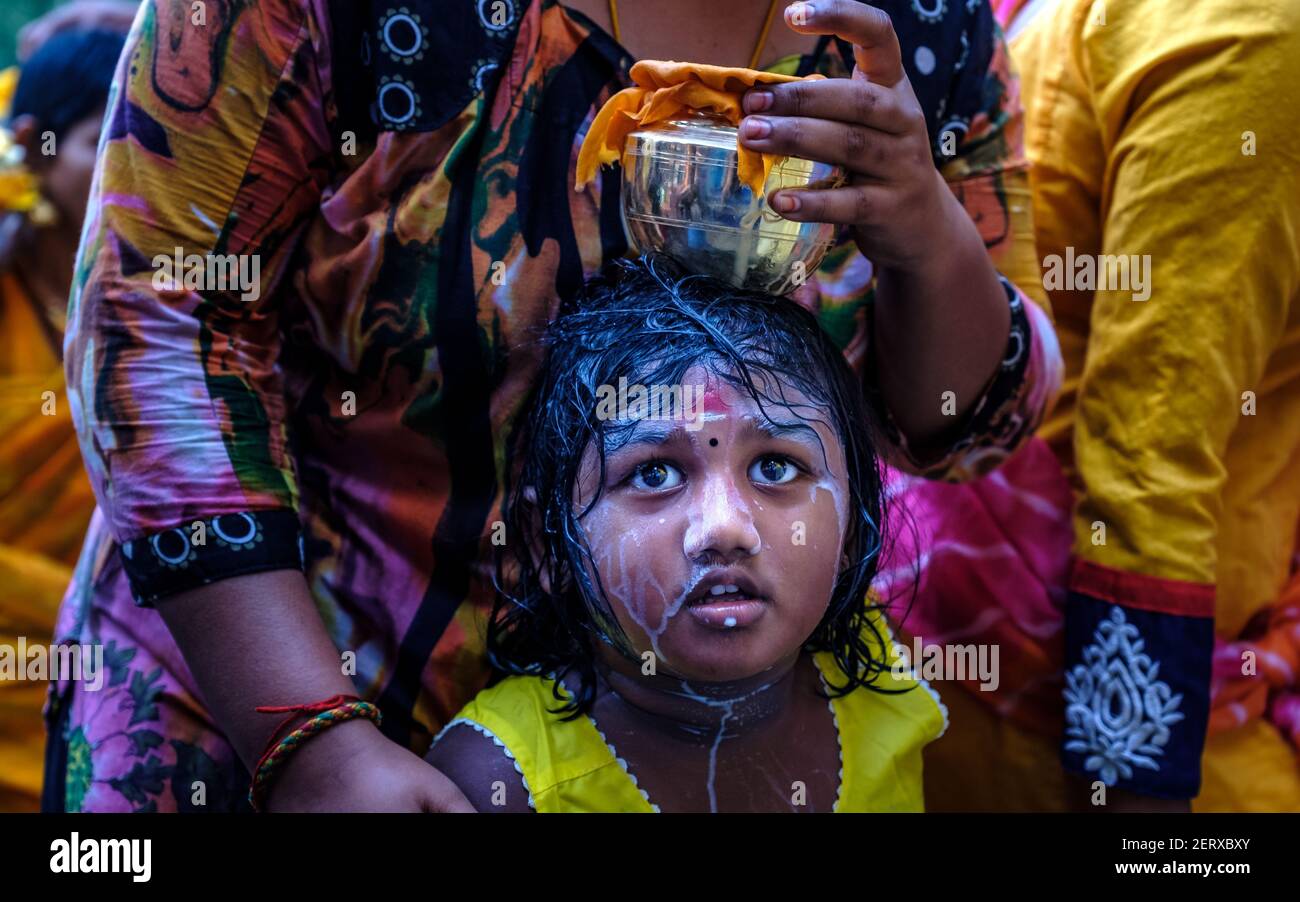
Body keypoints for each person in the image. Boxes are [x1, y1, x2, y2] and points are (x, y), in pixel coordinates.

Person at [47, 0, 1060, 812]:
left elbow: (969, 420)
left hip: (703, 746)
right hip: (269, 702)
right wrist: (311, 742)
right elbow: (156, 317)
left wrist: (923, 231)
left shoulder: (921, 27)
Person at [888, 0, 1300, 812]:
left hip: (951, 641)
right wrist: (1134, 790)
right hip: (1084, 720)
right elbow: (1151, 450)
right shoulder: (1253, 38)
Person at [428, 255, 946, 812]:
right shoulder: (498, 781)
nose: (724, 528)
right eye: (655, 474)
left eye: (774, 467)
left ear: (852, 530)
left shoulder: (882, 675)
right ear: (546, 544)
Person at [0, 27, 127, 813]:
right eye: (101, 140)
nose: (132, 165)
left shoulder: (155, 301)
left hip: (119, 665)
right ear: (31, 147)